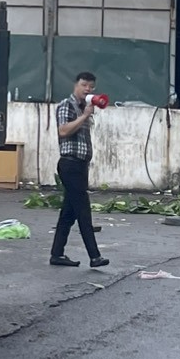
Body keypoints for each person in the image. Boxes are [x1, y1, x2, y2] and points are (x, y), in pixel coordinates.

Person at [49, 71, 109, 270]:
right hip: (69, 164)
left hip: (81, 165)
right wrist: (84, 116)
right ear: (76, 85)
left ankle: (57, 254)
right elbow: (63, 130)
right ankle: (95, 256)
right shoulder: (67, 105)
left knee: (69, 212)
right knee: (83, 210)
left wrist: (87, 113)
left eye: (91, 87)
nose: (87, 90)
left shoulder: (86, 108)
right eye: (84, 85)